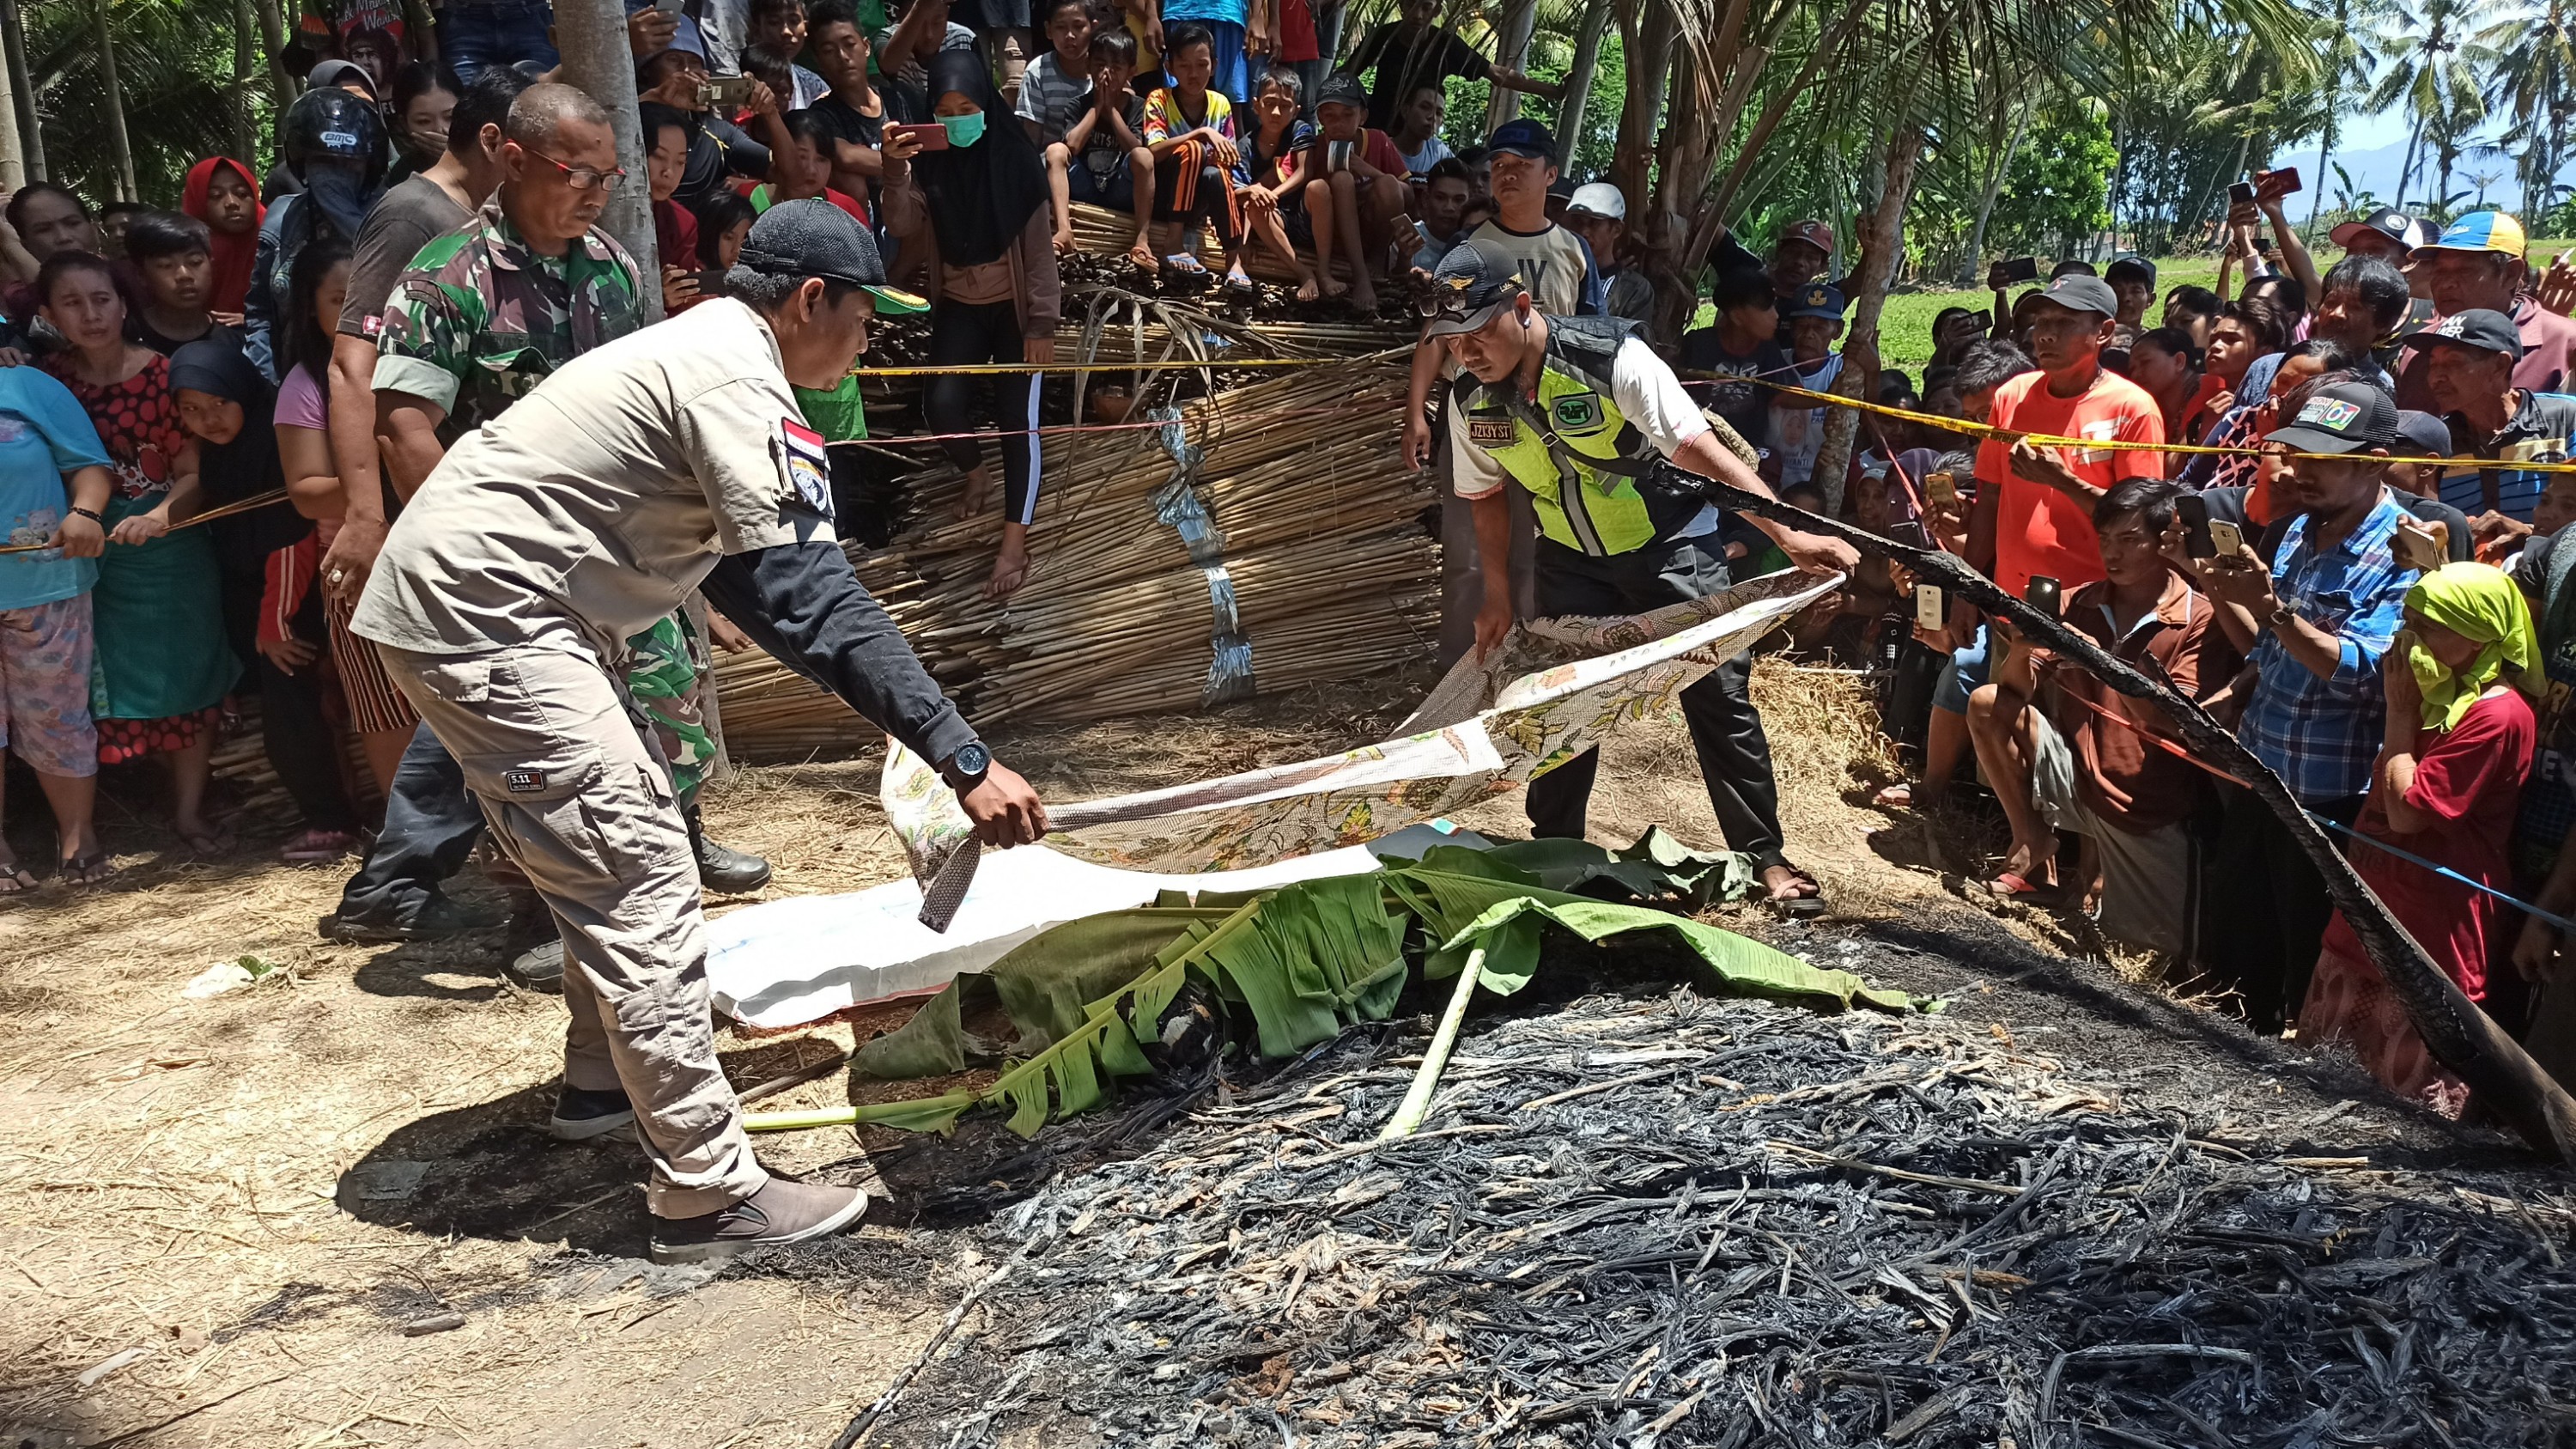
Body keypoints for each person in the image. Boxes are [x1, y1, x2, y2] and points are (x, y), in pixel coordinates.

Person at [351, 198, 1046, 1261]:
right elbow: (811, 595)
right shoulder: (735, 378)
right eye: (863, 318)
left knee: (616, 848)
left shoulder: (708, 355)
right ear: (811, 299)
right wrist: (962, 755)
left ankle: (601, 1087)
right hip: (497, 614)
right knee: (637, 875)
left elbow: (756, 582)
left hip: (496, 606)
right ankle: (707, 1193)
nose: (869, 342)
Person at [328, 84, 769, 951]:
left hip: (617, 553)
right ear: (515, 159)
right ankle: (543, 910)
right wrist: (486, 549)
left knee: (667, 706)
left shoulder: (612, 268)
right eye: (579, 173)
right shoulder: (446, 278)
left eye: (608, 177)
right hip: (513, 567)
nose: (596, 193)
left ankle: (677, 841)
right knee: (542, 744)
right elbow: (405, 425)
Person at [1427, 240, 1852, 910]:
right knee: (1561, 701)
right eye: (1453, 340)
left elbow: (1700, 450)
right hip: (1571, 559)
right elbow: (1483, 499)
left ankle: (1764, 857)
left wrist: (1786, 533)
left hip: (1672, 546)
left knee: (1717, 694)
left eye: (1482, 330)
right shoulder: (1469, 400)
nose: (1469, 351)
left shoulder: (1610, 359)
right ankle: (1553, 847)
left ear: (1523, 306)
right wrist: (1499, 598)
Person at [319, 65, 528, 795]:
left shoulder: (487, 220)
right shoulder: (415, 214)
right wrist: (367, 513)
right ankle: (399, 878)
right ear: (498, 142)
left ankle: (403, 876)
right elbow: (353, 366)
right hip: (435, 495)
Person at [2191, 381, 2422, 1036]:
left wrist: (2273, 610)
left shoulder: (2403, 552)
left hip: (2330, 795)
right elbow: (2271, 647)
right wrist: (2237, 692)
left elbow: (2367, 674)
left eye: (2323, 459)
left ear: (2375, 461)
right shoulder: (2295, 530)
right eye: (2298, 454)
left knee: (2304, 956)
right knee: (2239, 947)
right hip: (2264, 771)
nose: (2301, 471)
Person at [2305, 562, 2537, 1113]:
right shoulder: (2438, 696)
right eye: (2407, 620)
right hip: (2371, 909)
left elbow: (2410, 813)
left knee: (2401, 1110)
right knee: (2319, 1086)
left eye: (2430, 625)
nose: (2408, 640)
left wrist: (2401, 715)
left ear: (2480, 631)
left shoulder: (2496, 715)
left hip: (2432, 929)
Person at [1965, 480, 2238, 947]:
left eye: (2129, 540)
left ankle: (2097, 875)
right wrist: (2024, 648)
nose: (2113, 553)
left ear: (2165, 542)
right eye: (2105, 539)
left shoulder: (2200, 618)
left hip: (2149, 803)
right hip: (2077, 779)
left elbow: (2178, 723)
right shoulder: (2078, 602)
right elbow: (2014, 692)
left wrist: (2104, 667)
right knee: (1988, 703)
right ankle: (2033, 837)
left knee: (2154, 954)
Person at [33, 253, 238, 850]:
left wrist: (156, 516)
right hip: (85, 558)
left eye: (101, 299)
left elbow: (193, 474)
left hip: (170, 552)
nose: (91, 314)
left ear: (124, 304)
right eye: (71, 303)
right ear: (47, 314)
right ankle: (101, 822)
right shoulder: (45, 384)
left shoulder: (167, 374)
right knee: (101, 682)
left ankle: (190, 813)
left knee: (190, 674)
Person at [1407, 115, 1599, 666]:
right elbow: (1435, 333)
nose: (1508, 176)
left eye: (1522, 166)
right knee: (1470, 546)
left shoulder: (1573, 249)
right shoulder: (1470, 247)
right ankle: (1462, 668)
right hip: (1477, 414)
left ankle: (1534, 663)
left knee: (1546, 541)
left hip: (1553, 418)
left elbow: (1593, 335)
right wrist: (1416, 413)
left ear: (1551, 174)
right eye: (1498, 167)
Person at [170, 334, 364, 863]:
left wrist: (275, 622)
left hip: (295, 599)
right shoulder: (218, 453)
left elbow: (289, 536)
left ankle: (333, 821)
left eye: (219, 403)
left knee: (291, 714)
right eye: (191, 410)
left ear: (243, 391)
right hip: (257, 598)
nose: (209, 420)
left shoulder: (270, 442)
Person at [882, 51, 1057, 600]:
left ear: (986, 104)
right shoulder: (930, 160)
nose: (957, 118)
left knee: (1016, 421)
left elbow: (1038, 253)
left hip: (1015, 311)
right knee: (943, 404)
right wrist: (895, 168)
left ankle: (1013, 541)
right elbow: (903, 220)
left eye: (967, 107)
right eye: (944, 109)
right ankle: (976, 474)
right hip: (958, 301)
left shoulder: (1016, 159)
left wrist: (1042, 326)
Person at [0, 361, 115, 888]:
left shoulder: (27, 386)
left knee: (57, 715)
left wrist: (86, 514)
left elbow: (89, 466)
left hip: (44, 585)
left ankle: (77, 836)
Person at [247, 85, 389, 381]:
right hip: (296, 379)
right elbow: (260, 312)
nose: (334, 174)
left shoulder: (394, 218)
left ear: (369, 164)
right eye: (323, 162)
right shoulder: (281, 220)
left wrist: (346, 217)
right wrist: (269, 379)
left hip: (376, 378)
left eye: (348, 163)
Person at [2414, 308, 2576, 529]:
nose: (2437, 377)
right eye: (2433, 364)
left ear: (2499, 366)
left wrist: (2528, 534)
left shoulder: (2565, 417)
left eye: (2453, 362)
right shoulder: (2440, 441)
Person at [2397, 210, 2576, 411]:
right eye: (2439, 271)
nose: (2446, 283)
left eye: (2465, 270)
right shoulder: (2417, 348)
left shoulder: (2564, 344)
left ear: (2511, 274)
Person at [1282, 71, 1407, 311]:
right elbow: (1281, 178)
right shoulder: (1313, 146)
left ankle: (1376, 258)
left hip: (1372, 234)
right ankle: (1360, 277)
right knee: (1340, 180)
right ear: (1320, 118)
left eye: (1347, 115)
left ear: (1363, 116)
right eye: (1330, 116)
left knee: (1389, 184)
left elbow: (1408, 195)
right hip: (1330, 238)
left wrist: (1367, 170)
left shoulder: (1378, 140)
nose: (1338, 124)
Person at [1143, 24, 1253, 292]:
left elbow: (1228, 163)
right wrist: (1202, 134)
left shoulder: (1221, 103)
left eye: (1201, 65)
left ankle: (1233, 259)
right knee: (1193, 149)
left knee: (1217, 173)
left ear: (1214, 66)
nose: (1193, 74)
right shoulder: (1159, 99)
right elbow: (1154, 152)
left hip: (1200, 199)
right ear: (1170, 68)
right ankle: (1173, 240)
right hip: (1165, 196)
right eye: (1184, 66)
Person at [1345, 0, 1558, 133]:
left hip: (1421, 136)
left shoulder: (1447, 45)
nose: (1418, 15)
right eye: (1411, 5)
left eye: (1426, 7)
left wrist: (1554, 91)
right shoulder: (1384, 36)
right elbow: (1348, 73)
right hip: (1377, 129)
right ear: (1402, 6)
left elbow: (1497, 73)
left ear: (1437, 10)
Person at [636, 46, 786, 213]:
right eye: (674, 59)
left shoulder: (718, 133)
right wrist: (651, 98)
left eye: (694, 62)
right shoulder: (631, 123)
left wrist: (771, 113)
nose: (686, 70)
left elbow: (789, 174)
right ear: (647, 70)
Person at [1055, 28, 1157, 271]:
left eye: (1116, 67)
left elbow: (1137, 149)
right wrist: (1097, 107)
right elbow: (1072, 146)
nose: (1106, 74)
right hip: (1086, 186)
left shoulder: (1139, 107)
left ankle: (1142, 239)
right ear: (1089, 66)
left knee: (1143, 155)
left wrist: (1111, 111)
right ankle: (1063, 231)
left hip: (1119, 189)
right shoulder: (1077, 106)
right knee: (1054, 152)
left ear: (1132, 71)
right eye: (1100, 65)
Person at [1678, 271, 1795, 471]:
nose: (1776, 315)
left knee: (1770, 465)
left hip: (1750, 446)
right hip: (1701, 441)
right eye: (1767, 308)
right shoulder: (1698, 344)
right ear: (1737, 316)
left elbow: (1786, 394)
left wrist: (1837, 396)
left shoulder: (1768, 348)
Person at [805, 1, 904, 225]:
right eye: (829, 51)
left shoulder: (895, 100)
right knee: (849, 180)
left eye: (849, 44)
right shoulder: (821, 115)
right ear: (819, 60)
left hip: (906, 216)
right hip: (859, 225)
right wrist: (904, 163)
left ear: (866, 47)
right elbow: (844, 156)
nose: (842, 56)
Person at [1232, 66, 1322, 298]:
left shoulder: (1300, 130)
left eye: (1284, 107)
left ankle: (1323, 268)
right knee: (1254, 201)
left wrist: (1273, 193)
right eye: (1269, 103)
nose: (1275, 112)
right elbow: (1238, 194)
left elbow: (1305, 171)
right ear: (1256, 105)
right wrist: (1244, 240)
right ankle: (1303, 272)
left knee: (1320, 188)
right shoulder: (1245, 146)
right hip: (1270, 220)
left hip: (1303, 217)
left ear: (1296, 111)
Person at [1018, 0, 1097, 227]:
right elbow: (1032, 140)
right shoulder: (1037, 71)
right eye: (1061, 27)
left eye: (1078, 26)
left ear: (1093, 27)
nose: (1070, 36)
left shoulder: (1105, 67)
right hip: (1055, 166)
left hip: (1100, 166)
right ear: (1048, 31)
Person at [122, 212, 233, 357]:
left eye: (195, 262)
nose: (184, 275)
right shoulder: (125, 336)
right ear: (141, 275)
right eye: (166, 265)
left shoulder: (234, 339)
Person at [1769, 283, 1846, 491]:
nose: (1809, 335)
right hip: (1770, 478)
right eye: (1802, 326)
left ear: (1838, 330)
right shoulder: (1774, 362)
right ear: (1792, 329)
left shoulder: (1845, 370)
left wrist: (1873, 372)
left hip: (1819, 484)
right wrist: (1830, 397)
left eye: (1820, 327)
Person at [746, 111, 876, 226]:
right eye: (801, 157)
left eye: (821, 160)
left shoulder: (848, 210)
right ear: (778, 151)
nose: (811, 170)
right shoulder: (747, 197)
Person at [2309, 253, 2410, 387]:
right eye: (2331, 302)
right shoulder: (2276, 365)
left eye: (2355, 307)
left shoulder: (2377, 387)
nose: (2337, 314)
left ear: (2384, 324)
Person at [180, 158, 264, 319]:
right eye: (216, 196)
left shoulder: (279, 234)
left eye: (242, 194)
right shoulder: (183, 244)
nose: (231, 203)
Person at [1562, 182, 1647, 322]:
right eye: (1578, 222)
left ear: (1617, 230)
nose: (1584, 231)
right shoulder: (1554, 270)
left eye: (1594, 223)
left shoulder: (1633, 290)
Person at [2126, 326, 2221, 448]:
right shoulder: (2150, 409)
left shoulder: (2214, 389)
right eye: (2132, 369)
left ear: (2179, 361)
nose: (2135, 374)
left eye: (2145, 362)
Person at [744, 0, 834, 108]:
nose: (786, 32)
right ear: (757, 31)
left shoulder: (813, 85)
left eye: (794, 21)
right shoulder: (743, 82)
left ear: (805, 27)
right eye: (774, 22)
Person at [387, 64, 464, 184]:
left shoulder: (492, 157)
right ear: (405, 124)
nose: (440, 129)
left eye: (450, 117)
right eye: (423, 121)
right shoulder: (400, 173)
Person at [1407, 154, 1470, 272]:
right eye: (1440, 198)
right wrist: (1403, 259)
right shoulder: (1409, 238)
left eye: (1459, 200)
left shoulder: (1477, 242)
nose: (1449, 207)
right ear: (1426, 199)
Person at [1388, 81, 1450, 177]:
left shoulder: (1440, 153)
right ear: (1405, 111)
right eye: (1425, 107)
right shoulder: (1382, 149)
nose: (1432, 117)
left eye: (1438, 113)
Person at [2102, 253, 2154, 328]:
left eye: (2136, 291)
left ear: (2150, 300)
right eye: (2117, 290)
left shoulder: (2157, 339)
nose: (2125, 298)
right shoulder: (2089, 336)